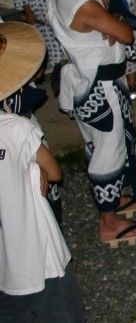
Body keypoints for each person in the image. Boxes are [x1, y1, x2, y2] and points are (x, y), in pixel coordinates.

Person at [44, 0, 136, 247]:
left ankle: (111, 200)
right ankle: (109, 220)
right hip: (100, 86)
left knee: (97, 145)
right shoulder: (81, 4)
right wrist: (110, 20)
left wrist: (107, 19)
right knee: (109, 149)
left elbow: (111, 21)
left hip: (88, 80)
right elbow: (128, 34)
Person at [0, 27, 84, 322]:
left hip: (6, 259)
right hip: (38, 250)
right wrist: (38, 170)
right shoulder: (17, 129)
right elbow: (54, 171)